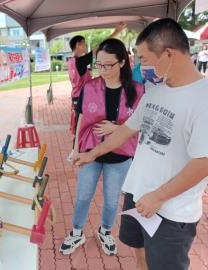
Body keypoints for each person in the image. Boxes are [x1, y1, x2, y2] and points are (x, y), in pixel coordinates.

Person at [74, 18, 208, 270]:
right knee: (141, 256)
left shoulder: (203, 97)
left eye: (144, 59)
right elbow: (127, 129)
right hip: (138, 195)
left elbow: (204, 162)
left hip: (170, 210)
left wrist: (159, 196)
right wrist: (93, 153)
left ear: (168, 54)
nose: (140, 66)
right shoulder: (156, 90)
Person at [59, 38, 145, 256]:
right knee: (83, 195)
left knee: (112, 200)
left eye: (109, 64)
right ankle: (77, 232)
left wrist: (116, 128)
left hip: (121, 156)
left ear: (122, 62)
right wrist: (76, 148)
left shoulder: (138, 90)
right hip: (90, 152)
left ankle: (105, 231)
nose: (103, 70)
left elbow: (141, 125)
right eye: (99, 64)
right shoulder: (89, 87)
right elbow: (81, 119)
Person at [66, 22, 127, 161]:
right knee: (83, 124)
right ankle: (78, 151)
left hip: (76, 96)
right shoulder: (79, 62)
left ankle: (82, 149)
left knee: (80, 124)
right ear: (78, 45)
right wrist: (116, 32)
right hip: (83, 97)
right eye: (84, 43)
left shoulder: (71, 61)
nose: (86, 46)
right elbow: (99, 48)